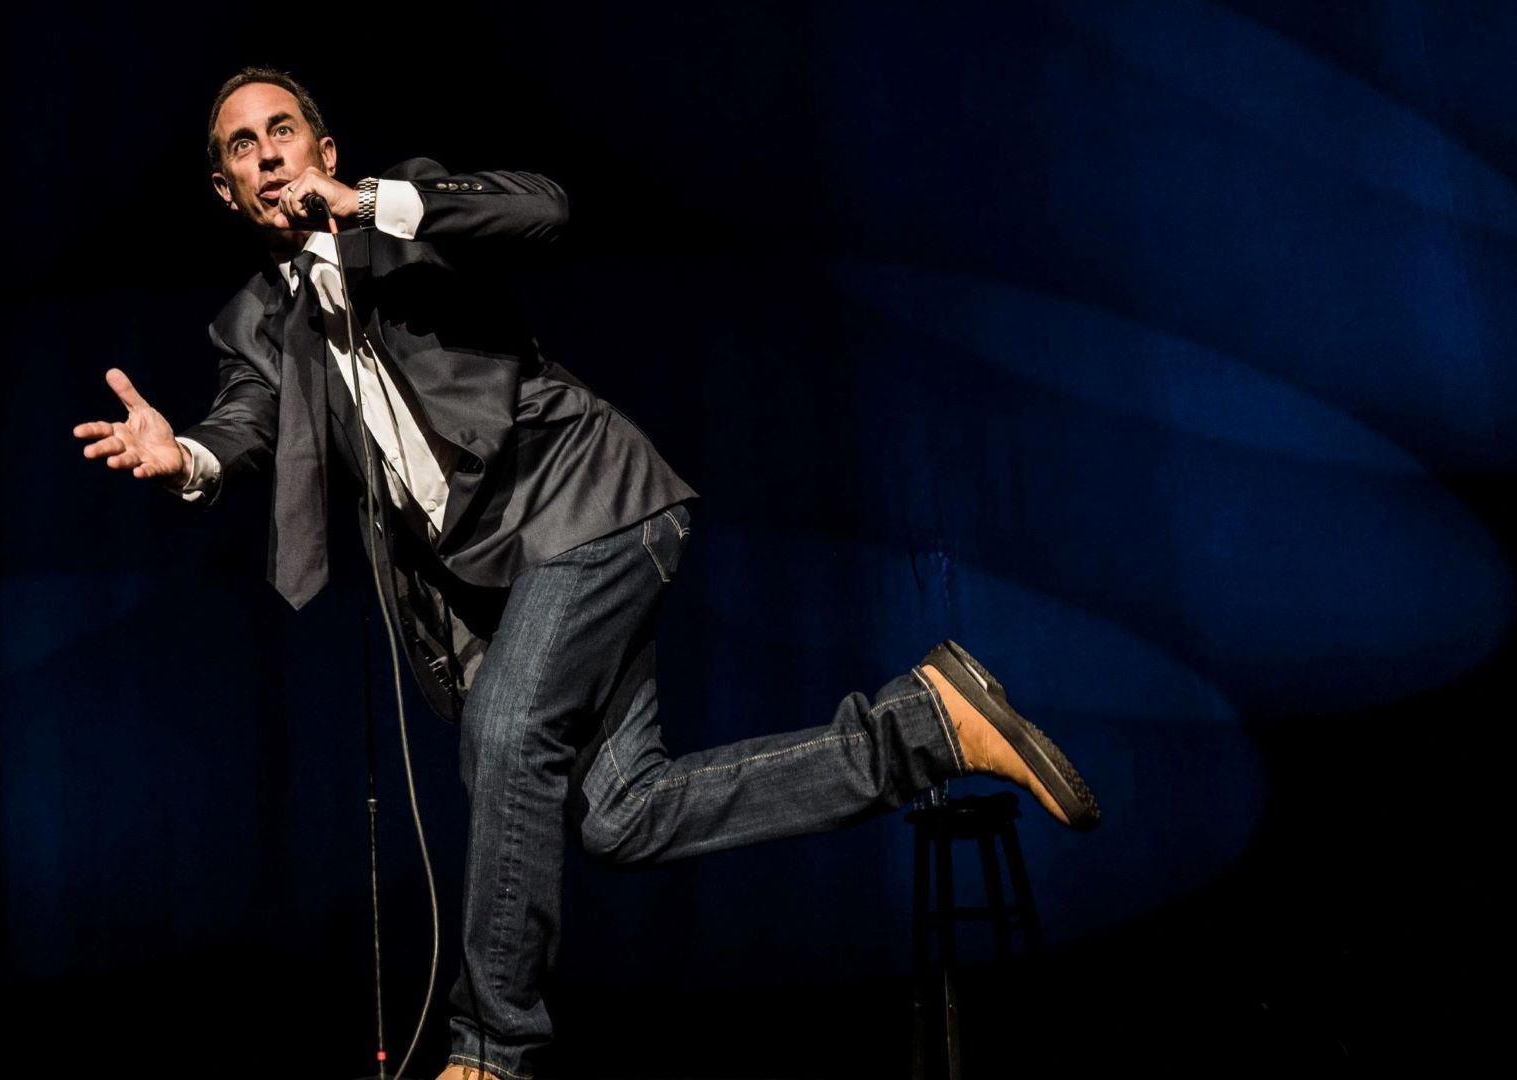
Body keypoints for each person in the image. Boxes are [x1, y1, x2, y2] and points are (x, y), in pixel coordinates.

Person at [73, 66, 1100, 1080]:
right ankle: (924, 728)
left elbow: (543, 209)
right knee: (623, 816)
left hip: (592, 507)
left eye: (282, 130)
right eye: (242, 146)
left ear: (322, 149)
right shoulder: (253, 323)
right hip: (504, 585)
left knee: (506, 734)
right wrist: (186, 457)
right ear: (226, 190)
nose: (267, 153)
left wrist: (371, 203)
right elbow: (244, 424)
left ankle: (490, 1050)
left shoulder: (403, 208)